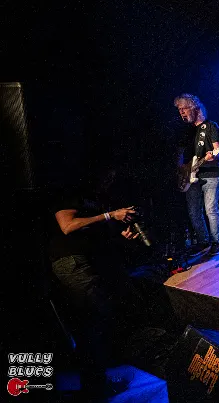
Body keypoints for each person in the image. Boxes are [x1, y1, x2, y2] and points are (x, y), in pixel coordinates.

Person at [49, 167, 143, 396]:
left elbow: (95, 239)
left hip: (84, 263)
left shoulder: (96, 201)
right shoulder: (72, 193)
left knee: (94, 322)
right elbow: (67, 226)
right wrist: (110, 215)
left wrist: (121, 237)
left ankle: (95, 383)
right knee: (95, 319)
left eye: (113, 176)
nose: (110, 179)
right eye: (107, 174)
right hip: (71, 263)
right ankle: (95, 387)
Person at [175, 94, 219, 256]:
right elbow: (180, 152)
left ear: (194, 108)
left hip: (211, 174)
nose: (181, 113)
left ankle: (216, 241)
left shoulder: (210, 126)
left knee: (210, 209)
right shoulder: (186, 131)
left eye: (184, 109)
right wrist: (181, 169)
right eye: (179, 110)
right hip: (191, 177)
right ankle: (203, 241)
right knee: (193, 211)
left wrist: (213, 156)